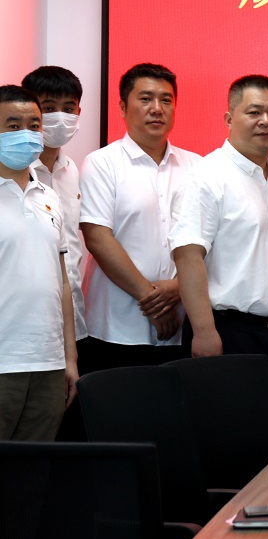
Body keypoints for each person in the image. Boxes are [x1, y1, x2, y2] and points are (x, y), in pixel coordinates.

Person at [170, 75, 268, 409]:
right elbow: (188, 257)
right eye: (254, 112)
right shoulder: (207, 176)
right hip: (226, 331)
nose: (266, 121)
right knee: (226, 430)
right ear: (229, 119)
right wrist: (204, 332)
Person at [79, 63, 200, 370]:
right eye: (145, 98)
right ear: (123, 107)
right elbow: (97, 238)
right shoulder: (101, 163)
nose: (157, 108)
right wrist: (152, 301)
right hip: (115, 326)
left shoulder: (197, 166)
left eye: (166, 100)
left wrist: (179, 287)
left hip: (183, 322)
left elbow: (210, 239)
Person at [0, 85, 78, 440]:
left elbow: (62, 282)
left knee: (35, 468)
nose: (27, 134)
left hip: (49, 363)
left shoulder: (48, 196)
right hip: (4, 361)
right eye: (13, 126)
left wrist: (69, 358)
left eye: (34, 125)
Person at [21, 66, 87, 348]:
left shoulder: (71, 169)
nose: (60, 118)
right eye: (49, 108)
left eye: (68, 109)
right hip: (26, 326)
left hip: (74, 322)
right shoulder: (15, 173)